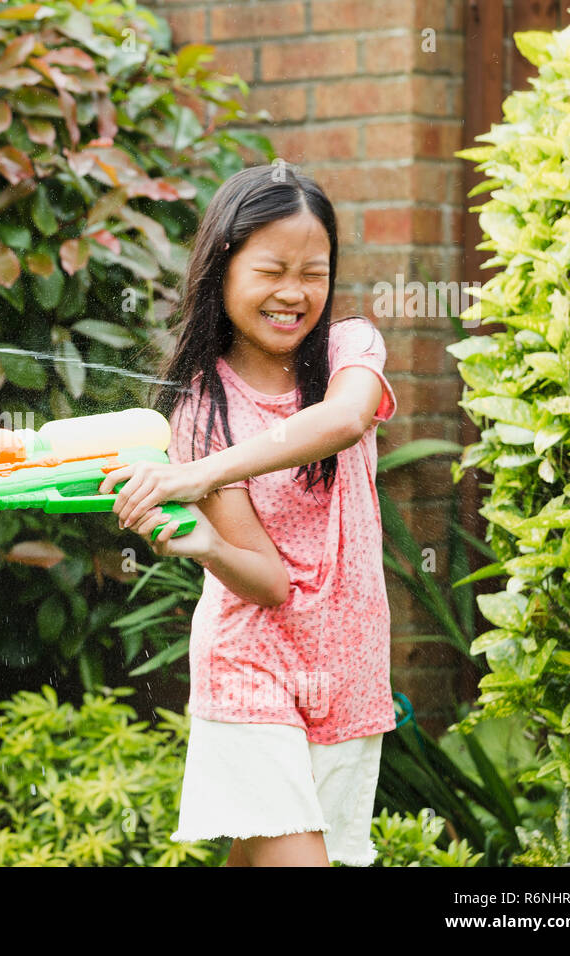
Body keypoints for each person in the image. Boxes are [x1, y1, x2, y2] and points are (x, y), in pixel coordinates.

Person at [102, 163, 398, 867]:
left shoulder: (348, 348)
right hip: (251, 666)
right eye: (271, 270)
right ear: (223, 268)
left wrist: (199, 474)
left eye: (314, 272)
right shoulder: (202, 406)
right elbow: (265, 582)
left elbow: (347, 419)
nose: (294, 293)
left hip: (347, 662)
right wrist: (207, 545)